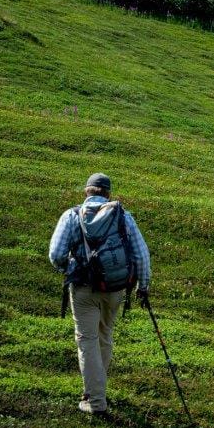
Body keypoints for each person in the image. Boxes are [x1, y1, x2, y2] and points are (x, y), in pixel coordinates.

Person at [48, 173, 151, 415]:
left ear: (87, 192)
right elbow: (142, 255)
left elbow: (56, 254)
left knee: (87, 340)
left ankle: (95, 401)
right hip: (114, 289)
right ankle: (98, 388)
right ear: (108, 194)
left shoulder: (72, 216)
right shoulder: (123, 217)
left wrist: (71, 269)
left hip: (83, 289)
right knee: (105, 336)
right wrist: (143, 287)